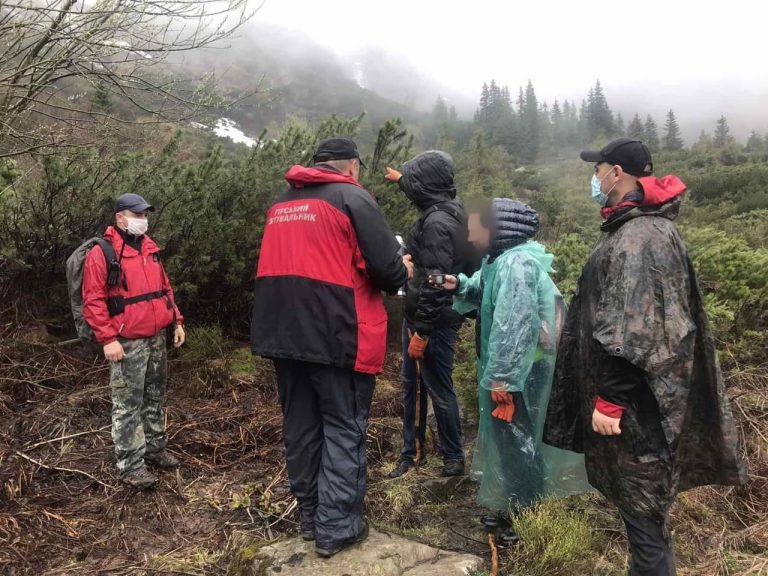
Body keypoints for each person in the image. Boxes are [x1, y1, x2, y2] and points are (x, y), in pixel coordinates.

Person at [544, 138, 746, 576]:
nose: (593, 179)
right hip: (641, 405)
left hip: (637, 412)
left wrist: (610, 399)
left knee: (645, 520)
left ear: (617, 173)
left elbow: (636, 327)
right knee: (646, 520)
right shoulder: (642, 229)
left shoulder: (640, 237)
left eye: (597, 170)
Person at [251, 137, 413, 558]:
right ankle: (337, 527)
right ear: (353, 167)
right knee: (343, 427)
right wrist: (404, 267)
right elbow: (385, 269)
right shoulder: (352, 199)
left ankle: (310, 519)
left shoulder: (280, 203)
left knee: (301, 427)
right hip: (339, 334)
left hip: (283, 336)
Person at [444, 198, 588, 542]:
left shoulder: (516, 263)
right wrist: (459, 285)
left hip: (523, 373)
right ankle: (515, 505)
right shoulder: (500, 260)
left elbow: (515, 325)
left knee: (521, 444)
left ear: (497, 229)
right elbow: (481, 289)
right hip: (515, 372)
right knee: (512, 444)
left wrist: (504, 381)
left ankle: (526, 517)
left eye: (478, 226)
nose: (472, 232)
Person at [82, 193, 185, 489]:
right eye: (136, 215)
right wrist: (107, 339)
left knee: (155, 396)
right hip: (126, 341)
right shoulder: (102, 253)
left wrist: (176, 320)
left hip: (155, 337)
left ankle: (155, 449)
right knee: (127, 404)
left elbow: (164, 288)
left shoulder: (150, 248)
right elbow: (92, 300)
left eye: (144, 215)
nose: (142, 220)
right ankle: (130, 465)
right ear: (120, 218)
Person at [384, 151, 474, 479]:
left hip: (431, 319)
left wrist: (421, 332)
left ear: (427, 185)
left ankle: (429, 457)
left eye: (414, 180)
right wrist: (400, 180)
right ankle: (441, 453)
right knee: (431, 385)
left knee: (427, 386)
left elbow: (435, 280)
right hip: (438, 314)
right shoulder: (451, 209)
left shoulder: (436, 223)